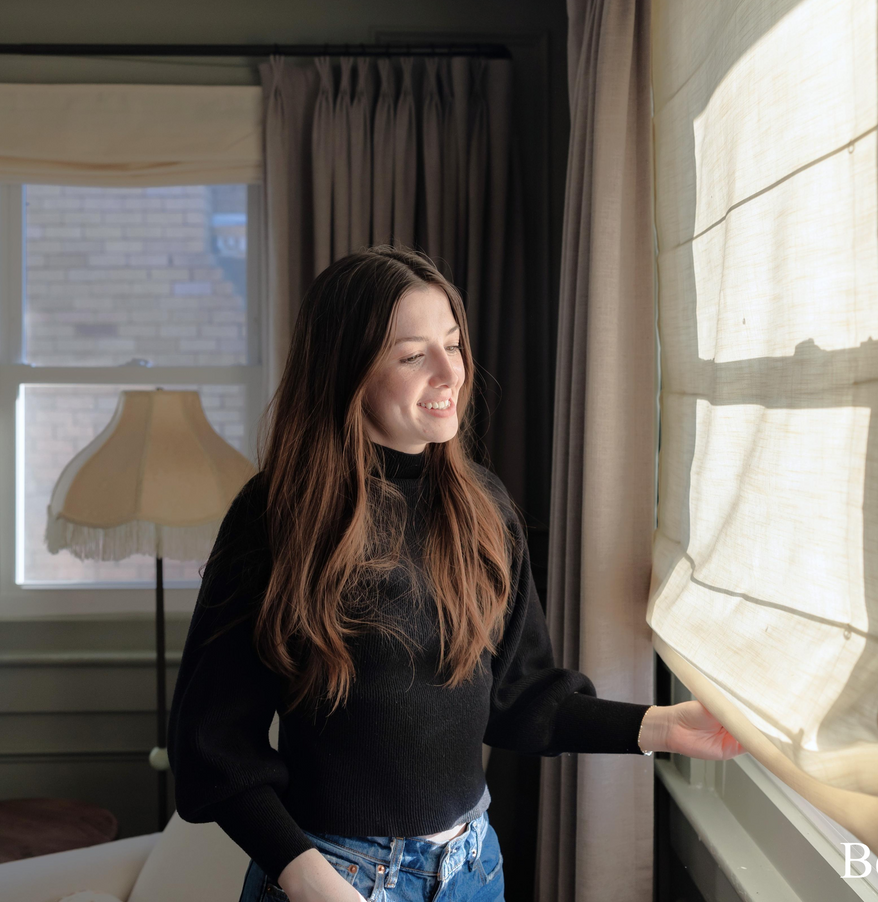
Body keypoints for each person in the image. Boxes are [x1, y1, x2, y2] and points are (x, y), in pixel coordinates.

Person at [167, 245, 745, 902]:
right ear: (345, 372)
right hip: (335, 876)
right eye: (414, 355)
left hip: (474, 869)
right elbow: (210, 742)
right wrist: (308, 880)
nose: (451, 372)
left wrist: (663, 726)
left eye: (453, 344)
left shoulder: (484, 508)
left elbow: (517, 697)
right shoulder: (277, 519)